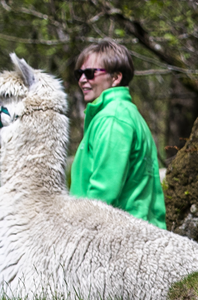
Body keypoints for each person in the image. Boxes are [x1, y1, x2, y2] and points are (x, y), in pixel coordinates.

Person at [71, 40, 166, 228]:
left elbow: (103, 194)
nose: (83, 80)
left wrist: (75, 234)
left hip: (118, 239)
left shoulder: (113, 119)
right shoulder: (126, 113)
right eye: (79, 74)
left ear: (116, 78)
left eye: (90, 73)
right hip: (135, 233)